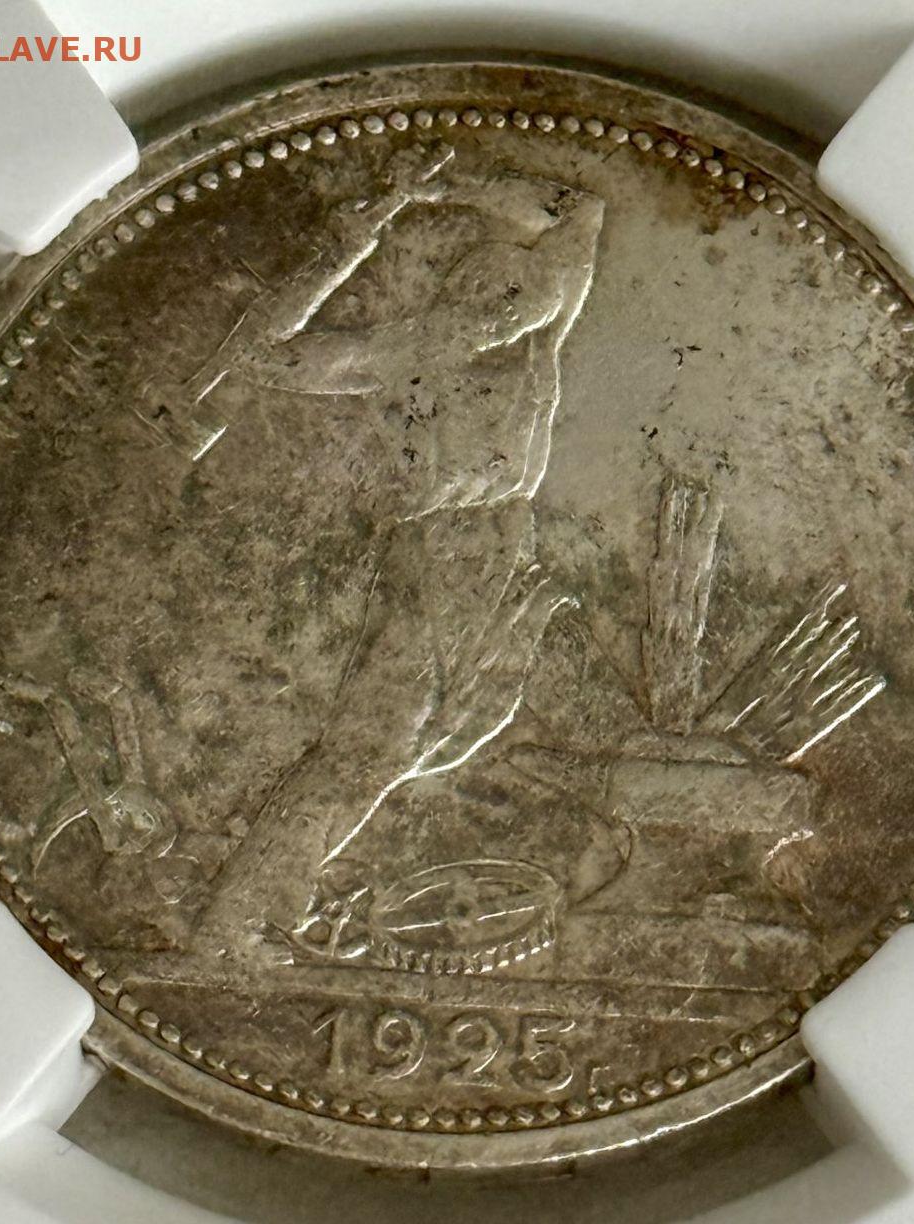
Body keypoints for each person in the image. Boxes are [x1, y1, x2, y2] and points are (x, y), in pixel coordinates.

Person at [180, 142, 605, 959]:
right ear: (455, 293)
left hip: (497, 548)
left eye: (524, 293)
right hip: (437, 550)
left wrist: (442, 186)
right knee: (372, 748)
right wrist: (346, 247)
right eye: (495, 291)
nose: (511, 308)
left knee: (431, 741)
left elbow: (579, 212)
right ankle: (236, 918)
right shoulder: (406, 348)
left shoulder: (536, 342)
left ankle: (259, 910)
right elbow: (261, 357)